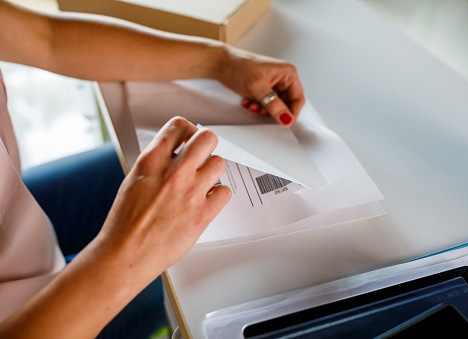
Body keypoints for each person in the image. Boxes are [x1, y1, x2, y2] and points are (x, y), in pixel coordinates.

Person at [0, 0, 305, 338]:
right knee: (210, 272)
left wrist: (221, 61)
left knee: (150, 166)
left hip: (14, 216)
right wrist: (128, 256)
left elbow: (46, 38)